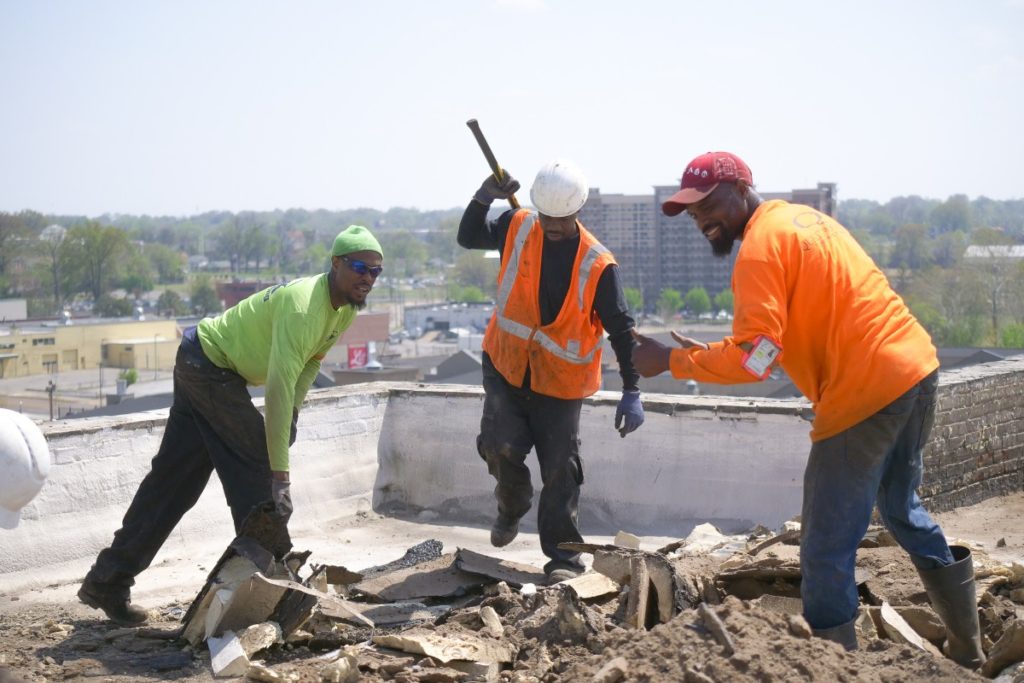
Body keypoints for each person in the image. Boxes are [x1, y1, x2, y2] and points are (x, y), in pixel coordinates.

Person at [630, 151, 985, 666]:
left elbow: (755, 360)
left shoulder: (757, 250)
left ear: (741, 188)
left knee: (823, 549)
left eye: (707, 202)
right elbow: (775, 343)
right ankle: (969, 654)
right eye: (690, 210)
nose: (700, 217)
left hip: (863, 394)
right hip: (914, 369)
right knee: (902, 509)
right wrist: (703, 355)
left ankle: (833, 671)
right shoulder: (803, 220)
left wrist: (669, 360)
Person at [78, 225, 384, 625]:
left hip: (204, 363)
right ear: (336, 264)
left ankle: (107, 581)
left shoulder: (343, 309)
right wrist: (280, 476)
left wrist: (291, 415)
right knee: (258, 472)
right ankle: (274, 589)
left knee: (172, 484)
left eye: (376, 271)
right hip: (209, 367)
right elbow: (276, 389)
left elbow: (309, 365)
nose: (368, 278)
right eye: (360, 267)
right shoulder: (302, 307)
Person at [459, 159, 645, 585]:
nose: (553, 226)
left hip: (560, 384)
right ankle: (512, 505)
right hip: (506, 363)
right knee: (498, 446)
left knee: (561, 468)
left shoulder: (599, 264)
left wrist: (631, 389)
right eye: (547, 217)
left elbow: (621, 327)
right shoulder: (519, 224)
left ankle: (563, 557)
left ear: (577, 211)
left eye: (562, 220)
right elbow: (468, 236)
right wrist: (484, 196)